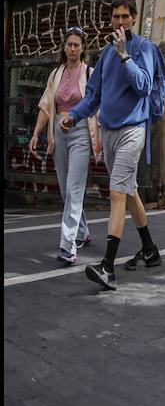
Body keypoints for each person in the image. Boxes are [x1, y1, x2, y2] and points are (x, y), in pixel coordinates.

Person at [62, 0, 163, 291]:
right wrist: (73, 115)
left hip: (133, 130)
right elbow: (93, 95)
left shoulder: (143, 48)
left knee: (117, 192)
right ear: (111, 19)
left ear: (133, 17)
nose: (120, 21)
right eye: (116, 17)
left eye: (125, 16)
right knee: (129, 191)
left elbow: (144, 85)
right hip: (108, 131)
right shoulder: (105, 54)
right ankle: (150, 249)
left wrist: (125, 55)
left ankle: (107, 267)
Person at [30, 27, 101, 264]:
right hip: (59, 132)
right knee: (65, 189)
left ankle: (68, 245)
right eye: (69, 44)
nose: (72, 49)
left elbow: (96, 105)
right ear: (64, 47)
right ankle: (82, 232)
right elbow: (46, 105)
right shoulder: (56, 73)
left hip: (80, 130)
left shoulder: (89, 73)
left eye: (76, 45)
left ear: (83, 49)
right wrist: (37, 132)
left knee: (74, 187)